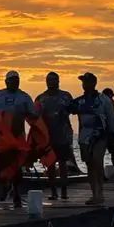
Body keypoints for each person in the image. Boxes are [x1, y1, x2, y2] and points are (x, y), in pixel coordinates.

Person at [0, 71, 38, 208]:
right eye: (11, 80)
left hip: (17, 136)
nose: (14, 82)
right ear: (6, 81)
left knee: (17, 166)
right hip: (0, 137)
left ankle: (16, 193)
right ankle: (5, 185)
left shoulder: (24, 97)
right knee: (0, 165)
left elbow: (33, 114)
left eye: (16, 80)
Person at [70, 73, 114, 205]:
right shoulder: (79, 101)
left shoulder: (103, 100)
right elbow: (68, 109)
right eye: (83, 82)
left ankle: (100, 193)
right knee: (89, 165)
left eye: (86, 81)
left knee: (98, 161)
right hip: (84, 137)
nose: (84, 84)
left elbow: (112, 118)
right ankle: (94, 194)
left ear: (93, 83)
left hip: (100, 135)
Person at [35, 72, 73, 200]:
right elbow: (34, 118)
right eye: (49, 80)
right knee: (50, 165)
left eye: (54, 80)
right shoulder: (40, 98)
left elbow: (73, 111)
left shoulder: (66, 96)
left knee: (63, 164)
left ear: (58, 81)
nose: (51, 82)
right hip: (47, 137)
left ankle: (64, 191)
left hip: (63, 135)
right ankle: (53, 192)